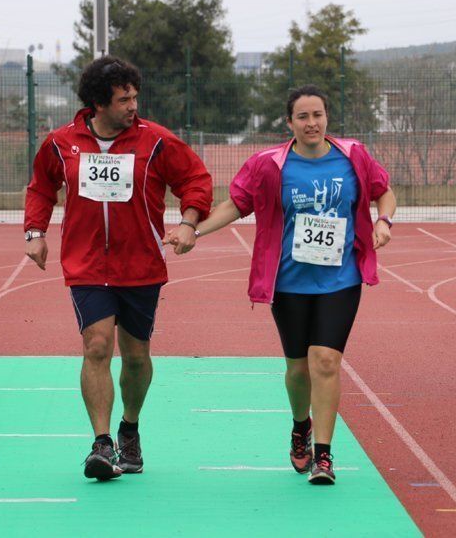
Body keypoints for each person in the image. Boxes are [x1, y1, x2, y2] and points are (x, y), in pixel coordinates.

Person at [166, 84, 395, 485]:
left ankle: (323, 455)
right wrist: (193, 232)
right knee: (296, 368)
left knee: (325, 360)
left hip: (340, 278)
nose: (312, 123)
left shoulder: (353, 155)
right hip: (287, 281)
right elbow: (235, 205)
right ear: (289, 123)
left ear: (327, 118)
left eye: (318, 115)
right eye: (303, 117)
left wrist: (383, 221)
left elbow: (384, 192)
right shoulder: (269, 164)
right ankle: (300, 425)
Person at [24, 56, 212, 481]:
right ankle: (102, 443)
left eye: (134, 97)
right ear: (97, 103)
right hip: (87, 265)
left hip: (141, 264)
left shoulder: (156, 141)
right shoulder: (60, 143)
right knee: (96, 345)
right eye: (124, 99)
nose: (133, 106)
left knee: (137, 357)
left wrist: (188, 222)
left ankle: (129, 426)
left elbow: (196, 181)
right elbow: (40, 186)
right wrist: (34, 232)